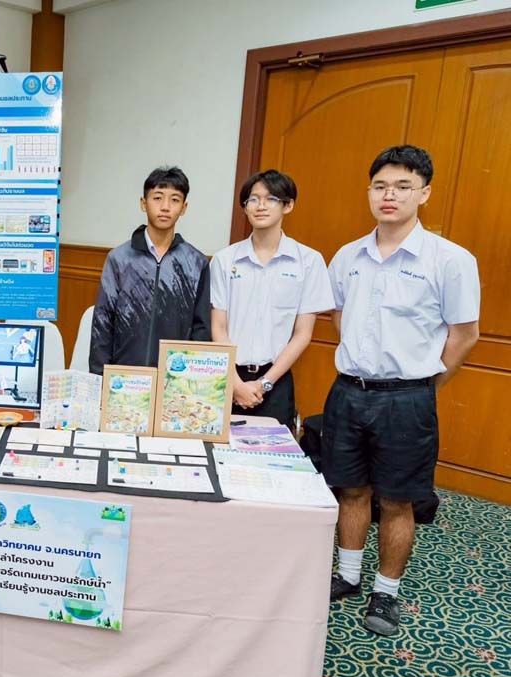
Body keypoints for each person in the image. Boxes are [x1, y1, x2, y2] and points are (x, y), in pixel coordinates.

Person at [325, 146, 480, 637]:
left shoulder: (451, 260)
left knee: (397, 499)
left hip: (408, 399)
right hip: (349, 391)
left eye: (402, 186)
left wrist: (424, 386)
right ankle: (349, 574)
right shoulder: (348, 256)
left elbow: (464, 335)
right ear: (369, 191)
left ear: (424, 193)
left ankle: (385, 592)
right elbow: (339, 316)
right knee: (350, 489)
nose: (389, 195)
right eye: (380, 186)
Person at [210, 170, 334, 429]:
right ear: (245, 207)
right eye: (253, 199)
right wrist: (236, 384)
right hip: (227, 377)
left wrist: (264, 383)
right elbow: (218, 327)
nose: (261, 206)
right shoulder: (224, 260)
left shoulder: (308, 261)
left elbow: (303, 334)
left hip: (275, 380)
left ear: (288, 205)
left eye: (271, 199)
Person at [89, 166, 211, 374]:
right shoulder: (119, 259)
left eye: (174, 200)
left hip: (172, 378)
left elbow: (201, 329)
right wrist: (100, 376)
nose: (165, 207)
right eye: (157, 198)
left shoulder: (196, 263)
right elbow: (103, 321)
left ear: (184, 208)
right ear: (143, 203)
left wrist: (189, 379)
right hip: (124, 378)